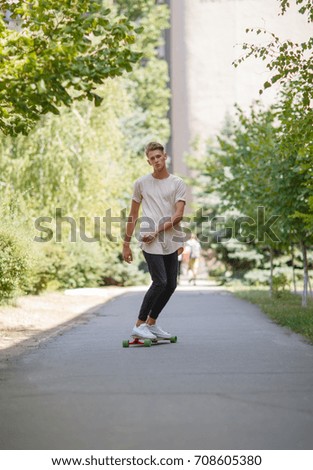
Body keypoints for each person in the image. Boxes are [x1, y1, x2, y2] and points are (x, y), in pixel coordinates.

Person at [122, 142, 187, 340]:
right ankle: (139, 324)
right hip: (149, 237)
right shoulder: (141, 183)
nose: (156, 161)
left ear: (165, 156)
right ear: (148, 161)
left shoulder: (177, 183)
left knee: (171, 285)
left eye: (159, 156)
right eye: (152, 158)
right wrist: (126, 243)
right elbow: (133, 215)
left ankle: (151, 324)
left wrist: (166, 234)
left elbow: (179, 215)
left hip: (170, 236)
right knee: (160, 282)